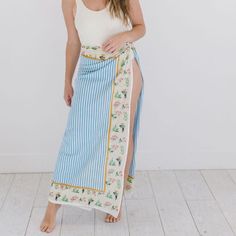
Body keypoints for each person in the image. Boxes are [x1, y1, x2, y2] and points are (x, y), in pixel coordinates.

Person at [40, 0, 145, 233]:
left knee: (122, 133)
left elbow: (141, 27)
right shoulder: (69, 2)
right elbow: (73, 41)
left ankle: (114, 200)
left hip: (123, 67)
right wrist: (67, 80)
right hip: (89, 68)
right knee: (75, 137)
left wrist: (124, 36)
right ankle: (53, 205)